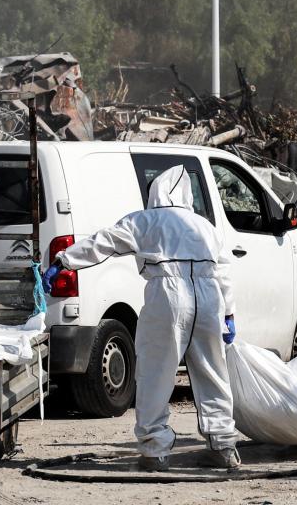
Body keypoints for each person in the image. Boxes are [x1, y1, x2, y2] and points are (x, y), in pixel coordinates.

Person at [42, 165, 240, 471]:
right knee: (213, 373)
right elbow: (224, 270)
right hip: (208, 296)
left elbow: (104, 242)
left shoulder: (145, 220)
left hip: (168, 293)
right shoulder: (204, 226)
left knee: (155, 373)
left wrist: (64, 260)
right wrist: (228, 313)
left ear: (155, 192)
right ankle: (223, 446)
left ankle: (154, 451)